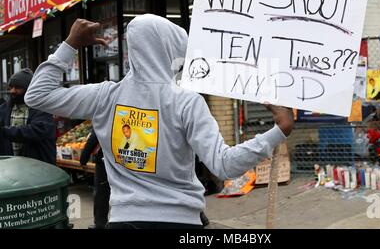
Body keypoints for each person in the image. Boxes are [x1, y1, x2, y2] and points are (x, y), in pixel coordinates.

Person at [25, 15, 294, 229]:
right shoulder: (186, 102)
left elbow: (37, 95)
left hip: (122, 221)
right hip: (180, 222)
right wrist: (278, 131)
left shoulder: (105, 96)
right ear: (170, 50)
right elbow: (224, 166)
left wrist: (69, 44)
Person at [0, 68, 56, 164]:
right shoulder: (4, 109)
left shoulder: (42, 108)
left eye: (18, 87)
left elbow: (36, 130)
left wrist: (4, 131)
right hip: (11, 168)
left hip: (38, 169)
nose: (13, 91)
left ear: (29, 89)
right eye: (11, 87)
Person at [80, 130, 110, 229]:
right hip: (123, 160)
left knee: (101, 193)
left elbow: (95, 136)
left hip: (105, 160)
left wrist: (83, 158)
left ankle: (100, 224)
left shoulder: (106, 115)